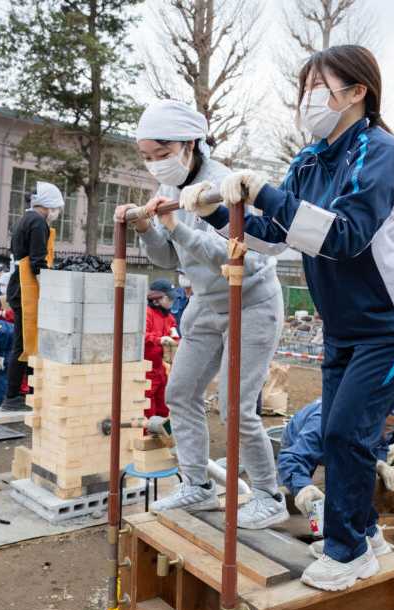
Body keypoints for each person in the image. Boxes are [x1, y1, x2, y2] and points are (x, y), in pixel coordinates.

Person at [179, 45, 394, 590]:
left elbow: (344, 235)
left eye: (319, 86)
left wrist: (265, 192)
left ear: (358, 91)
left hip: (393, 325)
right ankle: (364, 535)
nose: (307, 99)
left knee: (344, 432)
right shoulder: (310, 160)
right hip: (343, 326)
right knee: (343, 435)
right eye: (305, 88)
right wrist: (220, 213)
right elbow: (276, 235)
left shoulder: (380, 152)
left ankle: (347, 550)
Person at [113, 98, 287, 530]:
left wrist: (178, 228)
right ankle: (197, 484)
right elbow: (168, 258)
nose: (156, 164)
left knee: (236, 406)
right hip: (207, 303)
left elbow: (242, 259)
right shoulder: (168, 190)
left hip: (251, 300)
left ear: (190, 145)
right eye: (147, 157)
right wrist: (146, 228)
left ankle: (269, 495)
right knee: (180, 392)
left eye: (162, 153)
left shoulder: (225, 184)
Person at [276, 398, 394, 558]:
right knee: (297, 489)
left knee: (348, 472)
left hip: (341, 438)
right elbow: (293, 458)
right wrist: (301, 486)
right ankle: (279, 512)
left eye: (390, 428)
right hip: (299, 439)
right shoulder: (321, 422)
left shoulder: (374, 421)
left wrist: (379, 462)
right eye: (383, 425)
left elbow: (379, 443)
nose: (384, 432)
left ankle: (365, 534)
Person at [1, 184, 60, 412]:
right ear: (49, 204)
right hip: (27, 289)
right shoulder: (37, 222)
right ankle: (13, 396)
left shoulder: (24, 220)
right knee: (24, 344)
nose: (57, 212)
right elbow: (37, 262)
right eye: (56, 207)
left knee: (27, 342)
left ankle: (28, 392)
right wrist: (52, 288)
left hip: (19, 286)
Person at [143, 280, 181, 418]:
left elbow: (175, 336)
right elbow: (142, 335)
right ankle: (148, 430)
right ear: (156, 299)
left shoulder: (169, 318)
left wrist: (175, 343)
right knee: (148, 407)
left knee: (164, 406)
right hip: (148, 369)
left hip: (163, 369)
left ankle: (162, 431)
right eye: (169, 298)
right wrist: (159, 340)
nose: (172, 301)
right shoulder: (147, 314)